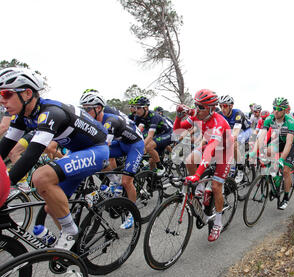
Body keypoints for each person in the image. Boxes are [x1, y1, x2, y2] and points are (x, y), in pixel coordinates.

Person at [0, 67, 109, 250]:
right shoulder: (22, 116)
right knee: (52, 208)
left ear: (27, 93)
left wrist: (5, 185)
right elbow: (4, 148)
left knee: (41, 176)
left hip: (97, 150)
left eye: (7, 93)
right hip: (77, 152)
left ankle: (70, 231)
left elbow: (31, 156)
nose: (2, 100)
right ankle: (75, 248)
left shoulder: (50, 112)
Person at [174, 89, 234, 242]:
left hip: (224, 151)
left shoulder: (218, 123)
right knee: (189, 160)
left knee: (215, 186)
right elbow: (177, 130)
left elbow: (210, 151)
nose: (197, 109)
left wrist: (197, 174)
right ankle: (200, 189)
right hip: (209, 144)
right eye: (196, 105)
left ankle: (218, 223)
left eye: (201, 107)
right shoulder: (197, 115)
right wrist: (178, 116)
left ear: (211, 108)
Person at [79, 90, 145, 229]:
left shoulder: (109, 121)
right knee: (103, 158)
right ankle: (115, 182)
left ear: (98, 108)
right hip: (122, 143)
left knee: (127, 181)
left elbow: (103, 145)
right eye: (83, 109)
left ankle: (132, 213)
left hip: (135, 145)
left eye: (87, 109)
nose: (85, 112)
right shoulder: (94, 121)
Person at [250, 97, 294, 210]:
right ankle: (274, 177)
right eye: (274, 108)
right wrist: (253, 152)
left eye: (279, 109)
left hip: (291, 143)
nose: (276, 111)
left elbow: (289, 143)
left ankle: (286, 197)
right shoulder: (269, 119)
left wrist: (282, 159)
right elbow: (261, 137)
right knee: (267, 152)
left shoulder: (290, 122)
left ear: (285, 110)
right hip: (278, 139)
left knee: (286, 170)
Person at [130, 96, 172, 176]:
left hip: (167, 133)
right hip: (157, 134)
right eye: (135, 107)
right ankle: (154, 180)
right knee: (151, 161)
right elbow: (137, 130)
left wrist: (140, 146)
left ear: (146, 108)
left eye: (138, 108)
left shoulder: (154, 116)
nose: (136, 110)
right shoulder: (138, 116)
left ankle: (161, 167)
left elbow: (150, 136)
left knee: (148, 146)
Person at [217, 95, 251, 182]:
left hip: (245, 130)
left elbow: (235, 132)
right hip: (232, 130)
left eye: (224, 106)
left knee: (234, 143)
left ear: (231, 106)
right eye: (220, 106)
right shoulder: (220, 114)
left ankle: (240, 168)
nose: (222, 108)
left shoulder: (237, 114)